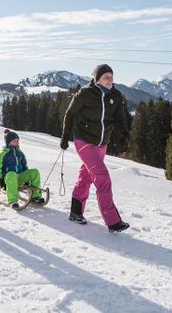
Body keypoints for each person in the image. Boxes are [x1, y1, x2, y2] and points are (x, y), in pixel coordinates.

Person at [60, 64, 130, 233]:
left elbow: (119, 119)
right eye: (106, 77)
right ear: (97, 78)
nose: (110, 80)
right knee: (102, 177)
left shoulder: (116, 95)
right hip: (83, 141)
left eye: (112, 76)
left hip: (101, 144)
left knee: (86, 176)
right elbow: (70, 114)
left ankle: (75, 212)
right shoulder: (85, 94)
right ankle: (113, 221)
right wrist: (65, 136)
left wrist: (123, 136)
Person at [0, 129, 45, 210]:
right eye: (15, 140)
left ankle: (35, 196)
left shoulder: (20, 152)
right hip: (9, 178)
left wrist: (27, 177)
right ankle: (13, 201)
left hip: (20, 177)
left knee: (35, 172)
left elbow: (24, 165)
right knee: (11, 174)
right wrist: (0, 179)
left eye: (18, 140)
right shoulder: (3, 153)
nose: (17, 142)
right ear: (9, 142)